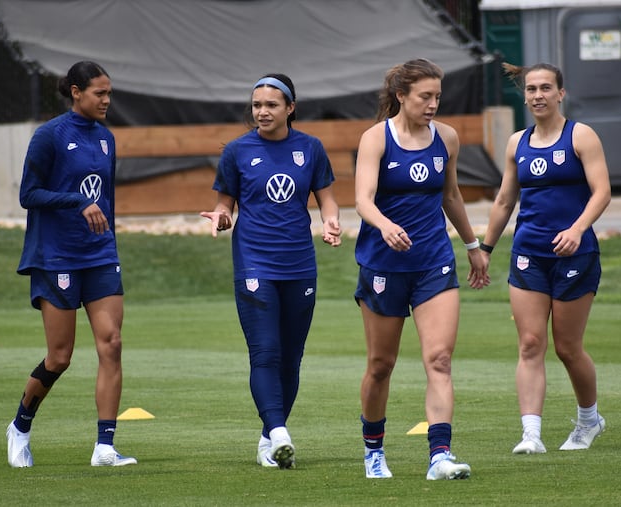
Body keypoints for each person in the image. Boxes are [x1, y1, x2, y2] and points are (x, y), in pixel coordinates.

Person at [353, 58, 488, 480]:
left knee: (440, 359)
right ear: (401, 96)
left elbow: (451, 197)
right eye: (424, 97)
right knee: (380, 365)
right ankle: (373, 451)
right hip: (383, 265)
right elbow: (362, 199)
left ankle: (440, 456)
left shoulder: (446, 137)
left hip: (433, 263)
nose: (432, 105)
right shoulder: (376, 138)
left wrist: (472, 246)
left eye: (437, 97)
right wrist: (385, 224)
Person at [200, 74, 341, 470]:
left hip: (299, 263)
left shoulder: (310, 148)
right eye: (257, 104)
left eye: (271, 105)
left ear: (290, 108)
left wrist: (331, 223)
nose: (262, 111)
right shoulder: (237, 151)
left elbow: (327, 201)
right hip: (254, 262)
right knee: (265, 352)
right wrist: (222, 217)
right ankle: (279, 432)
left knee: (291, 357)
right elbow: (224, 204)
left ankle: (268, 440)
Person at [7, 61, 137, 468]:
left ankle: (104, 447)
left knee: (111, 344)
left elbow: (106, 201)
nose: (107, 101)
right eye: (99, 93)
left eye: (109, 93)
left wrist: (109, 240)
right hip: (56, 256)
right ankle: (20, 427)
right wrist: (77, 202)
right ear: (76, 91)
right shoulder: (49, 136)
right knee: (60, 356)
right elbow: (29, 194)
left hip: (99, 255)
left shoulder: (105, 139)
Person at [480, 62, 611, 455]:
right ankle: (531, 434)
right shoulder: (516, 143)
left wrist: (576, 230)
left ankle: (590, 419)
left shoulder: (581, 136)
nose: (537, 95)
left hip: (575, 254)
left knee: (567, 347)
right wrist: (484, 249)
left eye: (545, 88)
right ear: (525, 95)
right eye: (531, 89)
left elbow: (601, 192)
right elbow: (505, 200)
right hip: (528, 256)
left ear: (560, 94)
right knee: (530, 343)